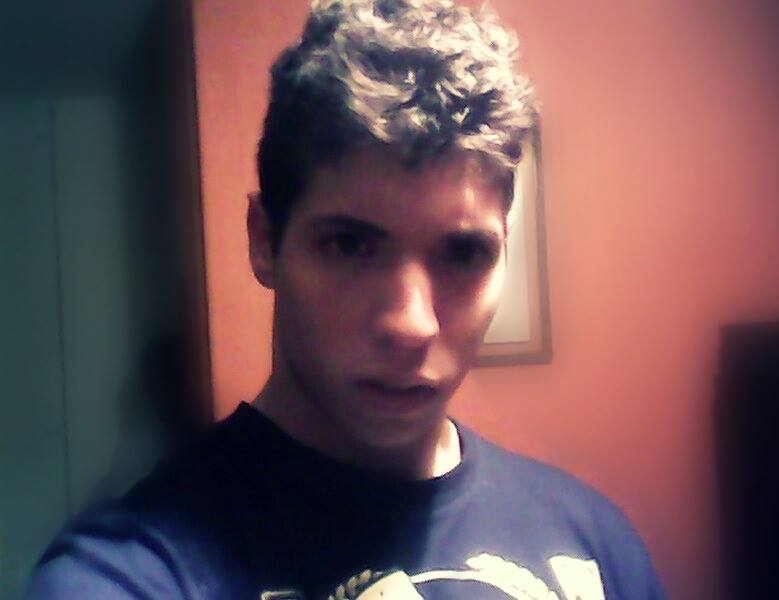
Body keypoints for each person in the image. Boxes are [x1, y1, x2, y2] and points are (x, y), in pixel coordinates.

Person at [26, 0, 665, 598]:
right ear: (264, 242)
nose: (411, 325)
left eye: (463, 254)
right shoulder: (131, 573)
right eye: (350, 246)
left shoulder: (595, 546)